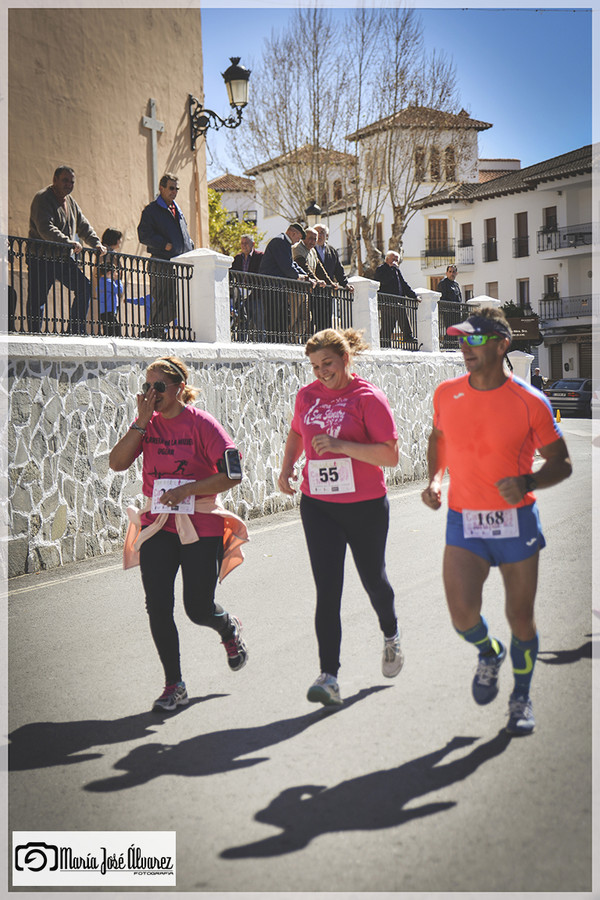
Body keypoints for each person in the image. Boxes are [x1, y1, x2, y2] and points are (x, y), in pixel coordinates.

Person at [421, 308, 572, 735]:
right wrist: (435, 480)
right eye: (462, 341)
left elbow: (561, 464)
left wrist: (528, 479)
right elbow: (439, 439)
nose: (465, 349)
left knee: (521, 617)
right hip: (464, 521)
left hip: (516, 523)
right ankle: (489, 652)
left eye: (476, 340)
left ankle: (520, 697)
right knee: (462, 614)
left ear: (502, 344)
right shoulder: (446, 394)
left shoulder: (531, 402)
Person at [109, 355, 249, 712]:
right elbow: (117, 462)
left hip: (200, 524)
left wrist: (187, 490)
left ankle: (227, 627)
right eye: (147, 386)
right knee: (157, 605)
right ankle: (175, 684)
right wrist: (141, 422)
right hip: (158, 525)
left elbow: (232, 474)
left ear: (179, 389)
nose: (152, 393)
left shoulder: (202, 424)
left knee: (197, 608)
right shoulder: (147, 425)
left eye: (159, 386)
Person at [278, 328, 404, 707]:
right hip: (318, 505)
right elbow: (297, 433)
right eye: (315, 366)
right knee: (328, 590)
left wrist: (340, 446)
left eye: (327, 363)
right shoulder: (307, 396)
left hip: (365, 505)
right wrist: (286, 468)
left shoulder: (368, 398)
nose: (321, 372)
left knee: (373, 581)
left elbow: (390, 456)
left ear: (346, 359)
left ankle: (391, 634)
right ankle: (329, 675)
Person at [27, 166, 107, 334]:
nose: (69, 185)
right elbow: (45, 228)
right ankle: (33, 333)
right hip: (41, 257)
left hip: (63, 258)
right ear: (54, 179)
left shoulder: (70, 202)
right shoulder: (42, 199)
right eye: (65, 180)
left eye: (72, 182)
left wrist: (96, 243)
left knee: (84, 287)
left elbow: (83, 225)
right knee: (38, 298)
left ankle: (74, 330)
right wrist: (68, 242)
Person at [137, 173, 194, 337]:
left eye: (176, 189)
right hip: (161, 262)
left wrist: (190, 247)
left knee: (179, 302)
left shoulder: (177, 210)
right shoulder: (151, 210)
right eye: (171, 188)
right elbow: (143, 235)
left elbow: (183, 235)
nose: (174, 192)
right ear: (161, 188)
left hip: (179, 264)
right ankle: (155, 331)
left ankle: (155, 330)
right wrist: (164, 245)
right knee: (163, 300)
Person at [259, 224, 309, 340]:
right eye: (298, 238)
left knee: (282, 318)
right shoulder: (279, 242)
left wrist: (306, 276)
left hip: (278, 287)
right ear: (293, 233)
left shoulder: (284, 243)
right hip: (271, 287)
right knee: (274, 319)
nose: (298, 241)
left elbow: (292, 264)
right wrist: (300, 277)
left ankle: (280, 341)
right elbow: (287, 267)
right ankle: (274, 343)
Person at [293, 227, 335, 334]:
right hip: (295, 290)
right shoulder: (297, 248)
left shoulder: (313, 251)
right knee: (294, 318)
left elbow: (320, 269)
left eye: (314, 239)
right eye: (310, 238)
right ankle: (290, 340)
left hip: (306, 292)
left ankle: (295, 340)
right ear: (303, 238)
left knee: (306, 319)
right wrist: (317, 281)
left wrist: (330, 283)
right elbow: (304, 267)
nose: (312, 241)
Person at [375, 251, 419, 348]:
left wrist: (414, 296)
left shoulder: (397, 271)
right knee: (400, 312)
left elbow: (404, 285)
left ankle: (384, 345)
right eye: (393, 259)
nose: (395, 261)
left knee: (388, 325)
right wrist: (392, 269)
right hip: (386, 301)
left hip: (397, 300)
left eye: (396, 260)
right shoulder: (381, 269)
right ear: (387, 259)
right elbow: (384, 281)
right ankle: (407, 335)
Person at [230, 235, 264, 338]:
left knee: (258, 324)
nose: (244, 246)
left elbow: (262, 276)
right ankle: (240, 344)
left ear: (253, 244)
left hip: (255, 296)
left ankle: (261, 345)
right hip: (241, 297)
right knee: (241, 324)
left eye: (246, 243)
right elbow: (231, 275)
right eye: (242, 243)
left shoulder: (260, 257)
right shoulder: (237, 259)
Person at [96, 228, 124, 336]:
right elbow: (105, 270)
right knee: (110, 322)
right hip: (110, 289)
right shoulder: (106, 253)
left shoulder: (112, 253)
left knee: (111, 319)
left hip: (112, 291)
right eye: (119, 239)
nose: (120, 242)